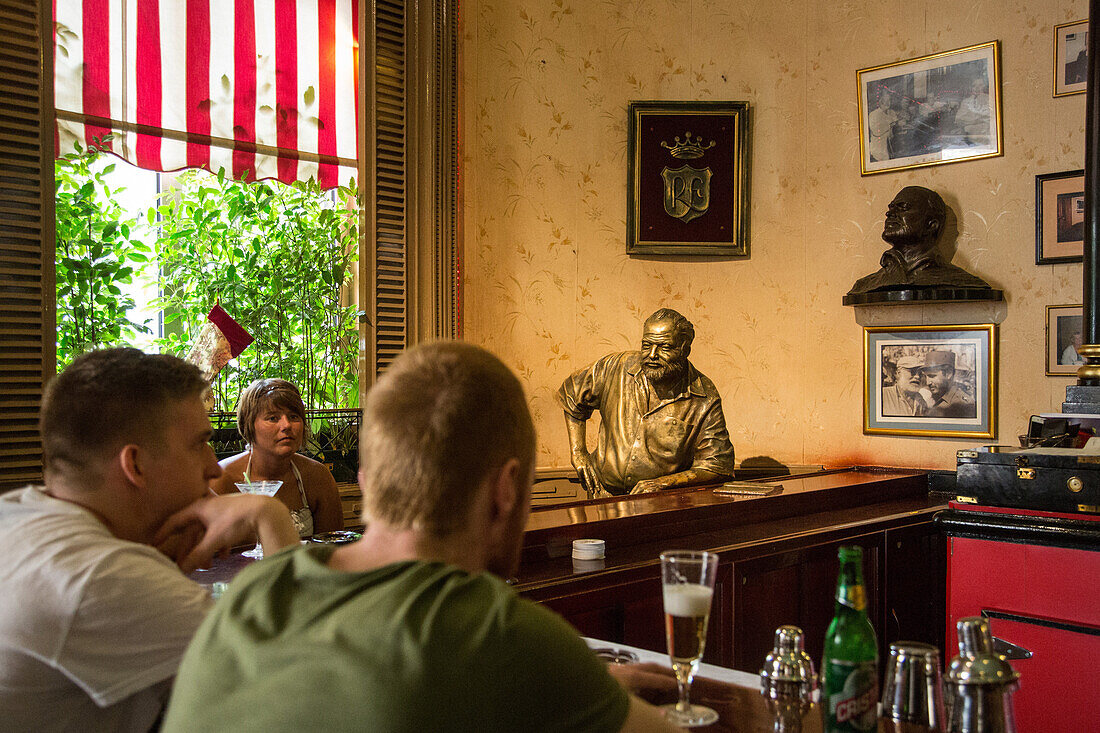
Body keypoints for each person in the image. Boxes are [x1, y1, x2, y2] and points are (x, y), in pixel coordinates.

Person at [162, 342, 681, 732]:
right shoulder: (501, 634)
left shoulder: (243, 606)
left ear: (367, 482)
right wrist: (573, 683)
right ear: (505, 490)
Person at [0, 348, 299, 733]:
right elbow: (292, 685)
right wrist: (267, 514)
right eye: (200, 443)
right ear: (136, 465)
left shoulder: (17, 514)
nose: (213, 466)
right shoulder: (102, 577)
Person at [557, 308, 735, 496]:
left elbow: (717, 465)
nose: (652, 354)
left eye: (664, 347)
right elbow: (572, 393)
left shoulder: (704, 396)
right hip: (602, 495)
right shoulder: (617, 366)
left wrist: (663, 483)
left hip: (660, 506)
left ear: (685, 350)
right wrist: (578, 452)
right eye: (646, 345)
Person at [212, 378, 343, 537]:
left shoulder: (317, 476)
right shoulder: (222, 478)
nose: (287, 425)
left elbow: (332, 546)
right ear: (248, 424)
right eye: (273, 418)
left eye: (294, 417)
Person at [846, 186, 995, 297]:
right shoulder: (865, 285)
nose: (889, 213)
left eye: (903, 207)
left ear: (931, 224)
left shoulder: (961, 281)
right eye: (891, 208)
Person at [922, 350, 976, 419]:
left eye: (932, 376)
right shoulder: (930, 398)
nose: (928, 382)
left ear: (948, 374)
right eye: (925, 377)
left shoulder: (962, 405)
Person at [866, 89, 898, 162]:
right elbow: (876, 131)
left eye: (889, 100)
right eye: (884, 100)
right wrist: (890, 124)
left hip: (891, 145)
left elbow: (896, 124)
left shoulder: (892, 112)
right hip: (879, 147)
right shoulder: (874, 114)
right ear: (880, 101)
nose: (887, 103)